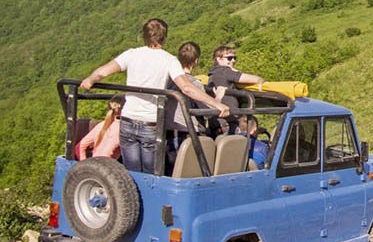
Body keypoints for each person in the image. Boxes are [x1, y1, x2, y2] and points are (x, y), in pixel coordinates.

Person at [80, 18, 229, 174]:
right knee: (152, 174)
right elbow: (186, 87)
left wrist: (89, 80)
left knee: (132, 173)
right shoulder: (169, 60)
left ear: (144, 36)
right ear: (164, 37)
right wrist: (217, 103)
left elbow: (102, 72)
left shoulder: (131, 54)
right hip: (150, 122)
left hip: (128, 119)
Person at [166, 41, 206, 173]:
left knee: (170, 167)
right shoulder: (195, 84)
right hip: (186, 130)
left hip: (167, 129)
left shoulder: (167, 81)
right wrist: (218, 97)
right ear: (196, 61)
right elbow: (206, 110)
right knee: (183, 169)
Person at [207, 45, 263, 134]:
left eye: (234, 58)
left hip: (216, 121)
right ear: (219, 59)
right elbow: (256, 79)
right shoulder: (225, 71)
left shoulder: (212, 74)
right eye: (229, 58)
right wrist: (260, 80)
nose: (233, 60)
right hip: (228, 120)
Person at [75, 94, 125, 161]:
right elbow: (107, 153)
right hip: (107, 167)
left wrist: (83, 163)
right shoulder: (123, 129)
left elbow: (81, 145)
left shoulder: (101, 125)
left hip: (93, 165)